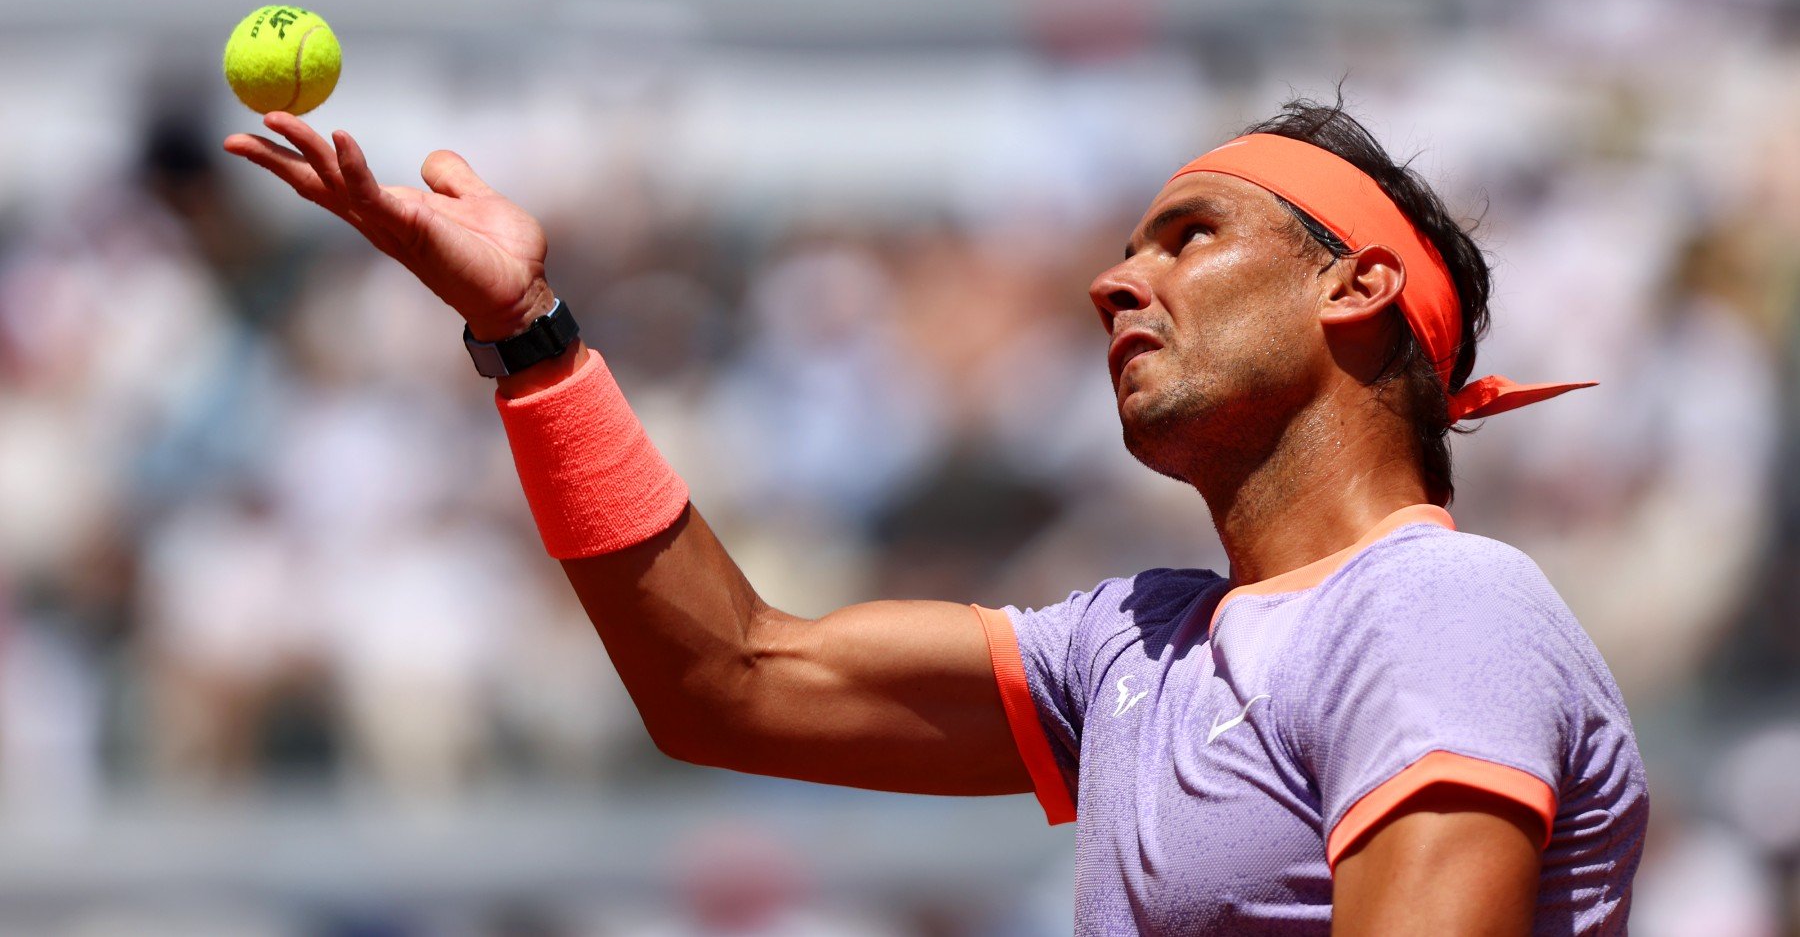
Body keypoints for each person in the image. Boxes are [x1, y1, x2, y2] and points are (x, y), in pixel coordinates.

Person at [224, 97, 1647, 935]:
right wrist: (530, 338)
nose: (1113, 280)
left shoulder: (1440, 611)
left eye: (1189, 235)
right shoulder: (1135, 647)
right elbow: (729, 679)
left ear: (1359, 290)